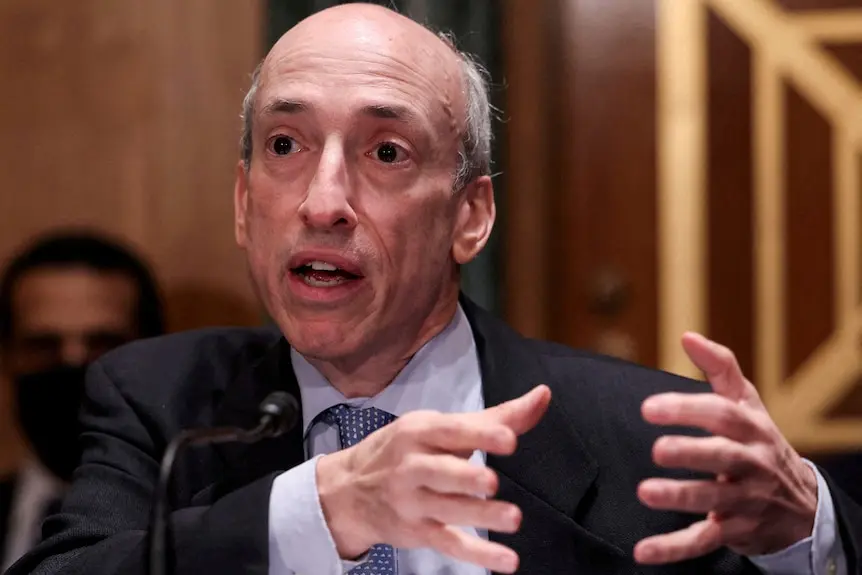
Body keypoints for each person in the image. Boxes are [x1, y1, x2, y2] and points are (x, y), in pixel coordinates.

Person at [6, 4, 862, 574]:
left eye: (386, 152)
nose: (322, 201)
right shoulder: (161, 401)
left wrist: (802, 534)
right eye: (284, 146)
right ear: (243, 204)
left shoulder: (642, 435)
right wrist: (319, 506)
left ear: (471, 216)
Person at [0, 230, 165, 571]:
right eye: (43, 346)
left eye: (103, 344)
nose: (73, 365)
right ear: (8, 356)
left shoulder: (199, 525)